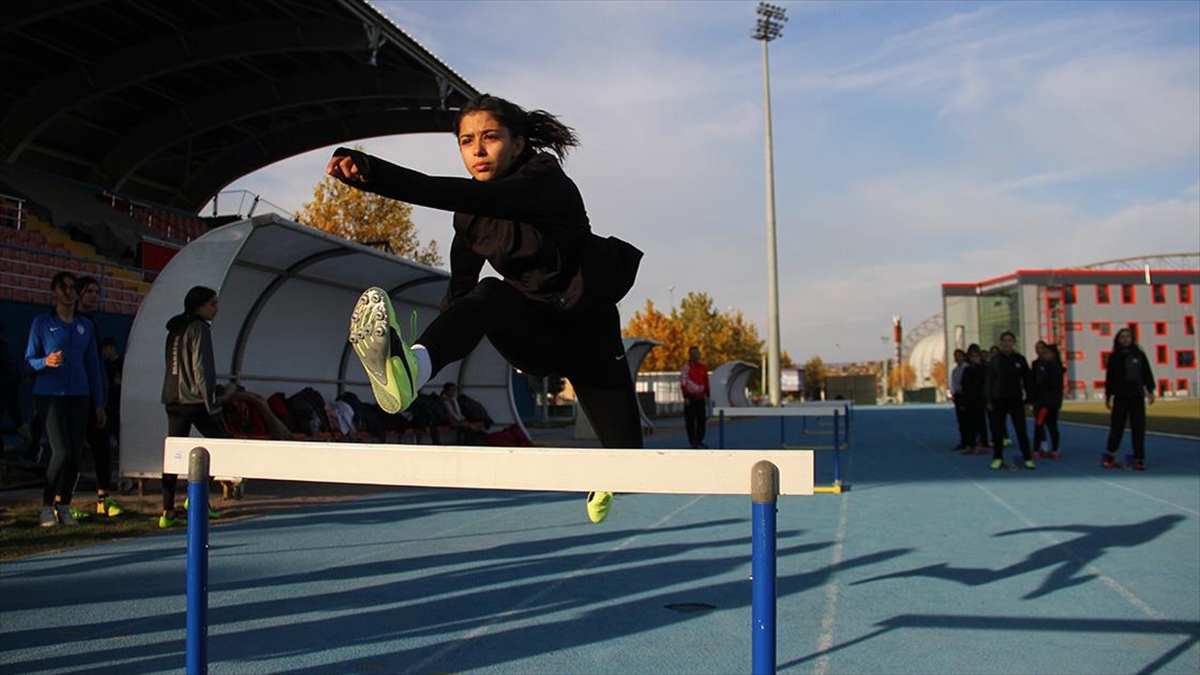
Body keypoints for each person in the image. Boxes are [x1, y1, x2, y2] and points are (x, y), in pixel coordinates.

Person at [329, 94, 643, 524]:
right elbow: (460, 298)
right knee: (489, 294)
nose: (476, 150)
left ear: (517, 145)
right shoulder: (470, 220)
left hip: (589, 333)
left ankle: (610, 476)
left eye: (490, 138)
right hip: (532, 333)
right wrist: (432, 351)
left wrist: (376, 174)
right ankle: (411, 370)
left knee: (631, 462)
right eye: (466, 141)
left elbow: (448, 191)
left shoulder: (545, 181)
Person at [24, 271, 107, 527]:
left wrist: (99, 402)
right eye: (64, 287)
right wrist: (44, 362)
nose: (69, 292)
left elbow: (93, 365)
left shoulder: (86, 327)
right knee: (61, 451)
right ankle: (47, 506)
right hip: (50, 395)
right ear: (54, 293)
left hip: (79, 395)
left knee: (75, 453)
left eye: (73, 287)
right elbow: (29, 360)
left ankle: (65, 505)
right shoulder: (41, 323)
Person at [161, 286, 234, 528]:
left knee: (173, 455)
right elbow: (203, 369)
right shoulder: (199, 328)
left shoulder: (175, 328)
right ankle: (195, 499)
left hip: (172, 399)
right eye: (212, 304)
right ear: (198, 305)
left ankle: (167, 511)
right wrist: (213, 402)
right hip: (194, 400)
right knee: (222, 447)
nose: (217, 309)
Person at [74, 276, 122, 517]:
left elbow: (93, 364)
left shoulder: (91, 324)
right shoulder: (62, 322)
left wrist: (99, 400)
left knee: (102, 447)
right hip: (68, 396)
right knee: (68, 452)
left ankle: (103, 498)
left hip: (92, 397)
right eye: (89, 291)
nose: (94, 295)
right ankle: (61, 503)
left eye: (96, 291)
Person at [1103, 327, 1156, 470]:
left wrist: (1150, 390)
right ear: (1118, 340)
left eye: (1127, 336)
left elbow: (1146, 373)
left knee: (1138, 428)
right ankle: (1110, 455)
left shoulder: (1139, 355)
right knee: (1116, 428)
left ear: (1132, 339)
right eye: (1122, 337)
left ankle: (1139, 458)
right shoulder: (1114, 357)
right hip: (1120, 397)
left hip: (1137, 397)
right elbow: (1110, 378)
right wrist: (1108, 396)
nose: (1125, 339)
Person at [984, 331, 1035, 470]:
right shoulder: (995, 360)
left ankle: (1027, 458)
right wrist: (988, 400)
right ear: (1001, 343)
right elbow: (989, 381)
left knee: (1021, 430)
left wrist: (1029, 399)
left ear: (1014, 343)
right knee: (998, 431)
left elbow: (1027, 380)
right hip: (998, 399)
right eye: (1004, 341)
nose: (1007, 343)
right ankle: (998, 458)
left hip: (1015, 399)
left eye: (1010, 341)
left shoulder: (1020, 359)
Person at [1030, 342, 1064, 459]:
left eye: (1046, 352)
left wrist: (1039, 384)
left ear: (1053, 354)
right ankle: (1051, 448)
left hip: (1047, 402)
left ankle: (1037, 449)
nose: (1043, 354)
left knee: (1041, 424)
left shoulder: (1054, 367)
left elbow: (1049, 384)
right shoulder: (1039, 365)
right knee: (1049, 425)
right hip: (1044, 401)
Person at [680, 345, 711, 449]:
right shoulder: (686, 368)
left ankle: (699, 440)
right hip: (690, 398)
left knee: (702, 420)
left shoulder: (703, 368)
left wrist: (707, 394)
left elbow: (706, 382)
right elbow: (683, 383)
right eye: (693, 354)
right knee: (690, 421)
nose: (695, 356)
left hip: (700, 398)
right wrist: (686, 397)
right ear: (689, 355)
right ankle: (692, 441)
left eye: (697, 354)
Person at [949, 348, 969, 451]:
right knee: (961, 420)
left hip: (966, 396)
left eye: (959, 355)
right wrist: (953, 393)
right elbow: (953, 383)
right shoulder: (955, 370)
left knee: (967, 420)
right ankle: (963, 441)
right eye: (955, 356)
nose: (957, 358)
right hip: (958, 396)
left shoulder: (967, 368)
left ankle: (970, 442)